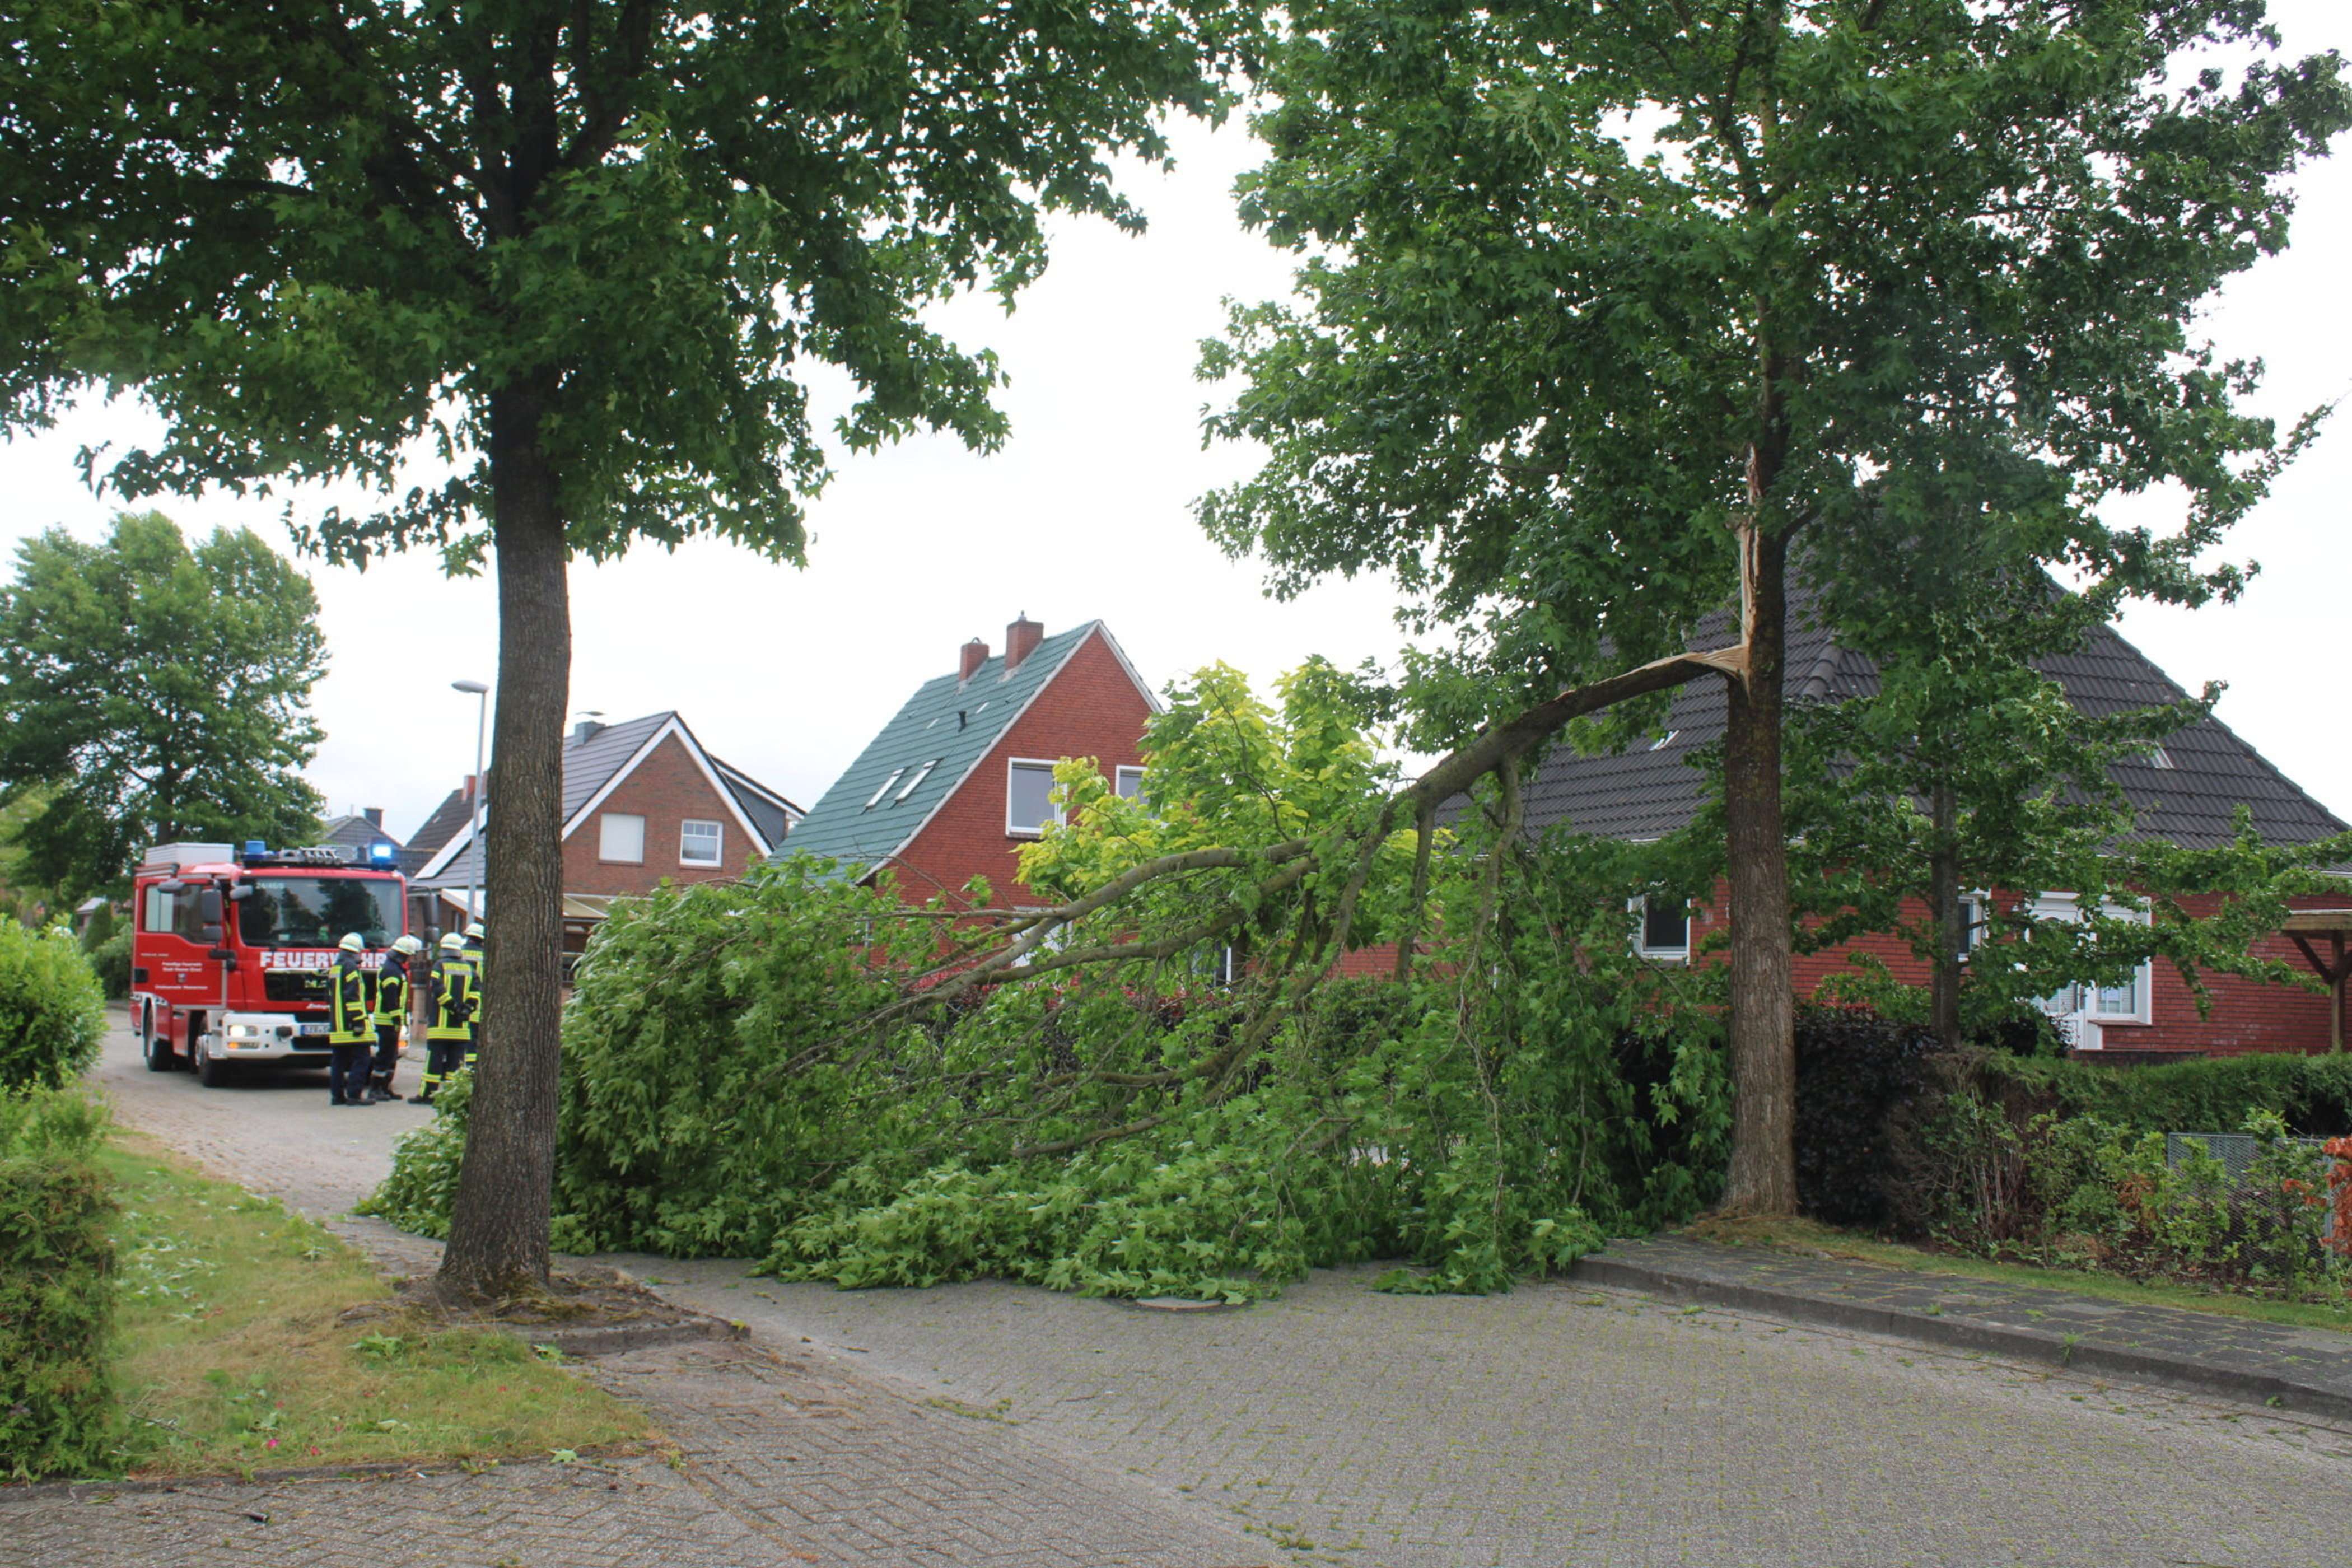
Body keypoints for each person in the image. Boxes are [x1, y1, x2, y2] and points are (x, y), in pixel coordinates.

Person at [419, 930, 477, 1104]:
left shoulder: (439, 966)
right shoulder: (470, 968)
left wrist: (452, 1007)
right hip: (461, 1029)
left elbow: (437, 989)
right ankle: (453, 1097)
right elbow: (476, 992)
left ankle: (427, 1096)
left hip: (440, 1027)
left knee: (433, 1064)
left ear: (443, 949)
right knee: (456, 1065)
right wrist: (466, 1009)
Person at [325, 932, 375, 1108]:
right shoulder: (351, 968)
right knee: (362, 1058)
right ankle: (354, 1095)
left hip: (337, 1026)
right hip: (351, 1025)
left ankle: (337, 1097)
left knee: (338, 1061)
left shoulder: (335, 968)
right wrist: (358, 1021)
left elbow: (331, 996)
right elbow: (352, 996)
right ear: (356, 951)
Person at [370, 933, 422, 1102]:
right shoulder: (391, 971)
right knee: (385, 1055)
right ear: (403, 955)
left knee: (392, 1055)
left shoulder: (395, 969)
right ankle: (375, 1089)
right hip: (387, 1021)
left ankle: (385, 1088)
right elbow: (390, 998)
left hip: (391, 1020)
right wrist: (396, 1019)